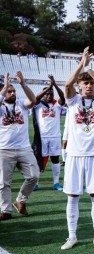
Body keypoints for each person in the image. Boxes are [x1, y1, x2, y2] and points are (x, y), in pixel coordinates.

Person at [61, 47, 94, 250]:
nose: (89, 85)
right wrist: (82, 64)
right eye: (85, 83)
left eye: (91, 83)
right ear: (79, 86)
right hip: (74, 154)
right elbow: (67, 84)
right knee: (73, 196)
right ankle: (72, 236)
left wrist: (90, 70)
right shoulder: (73, 101)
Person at [0, 71, 40, 220]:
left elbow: (33, 100)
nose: (12, 93)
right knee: (3, 183)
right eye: (9, 91)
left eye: (13, 91)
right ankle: (6, 210)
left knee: (34, 175)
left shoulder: (21, 104)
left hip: (24, 148)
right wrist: (4, 87)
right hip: (3, 149)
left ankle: (19, 201)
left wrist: (22, 84)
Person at [34, 75, 66, 191]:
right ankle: (35, 183)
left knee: (55, 159)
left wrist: (54, 85)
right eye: (46, 94)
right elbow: (36, 98)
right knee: (39, 160)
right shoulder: (38, 105)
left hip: (55, 136)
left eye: (51, 94)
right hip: (41, 137)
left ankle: (56, 183)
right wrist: (48, 87)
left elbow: (62, 97)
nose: (49, 95)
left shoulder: (56, 105)